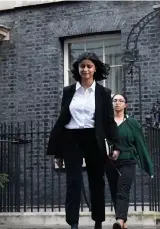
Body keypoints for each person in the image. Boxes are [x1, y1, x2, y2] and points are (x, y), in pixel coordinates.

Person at [46, 51, 120, 229]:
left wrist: (115, 145)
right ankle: (73, 223)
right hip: (72, 139)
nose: (85, 69)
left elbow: (109, 121)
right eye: (82, 66)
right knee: (73, 181)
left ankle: (98, 221)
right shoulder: (69, 91)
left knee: (97, 181)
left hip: (93, 138)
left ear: (95, 69)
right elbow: (63, 120)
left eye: (89, 66)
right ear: (78, 69)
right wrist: (58, 151)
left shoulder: (103, 92)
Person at [105, 93, 154, 229]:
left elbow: (140, 144)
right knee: (114, 191)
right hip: (110, 162)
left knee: (123, 189)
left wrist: (148, 166)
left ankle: (120, 220)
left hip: (128, 160)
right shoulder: (107, 123)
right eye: (115, 100)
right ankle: (123, 223)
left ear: (125, 105)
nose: (117, 103)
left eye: (121, 101)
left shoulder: (132, 123)